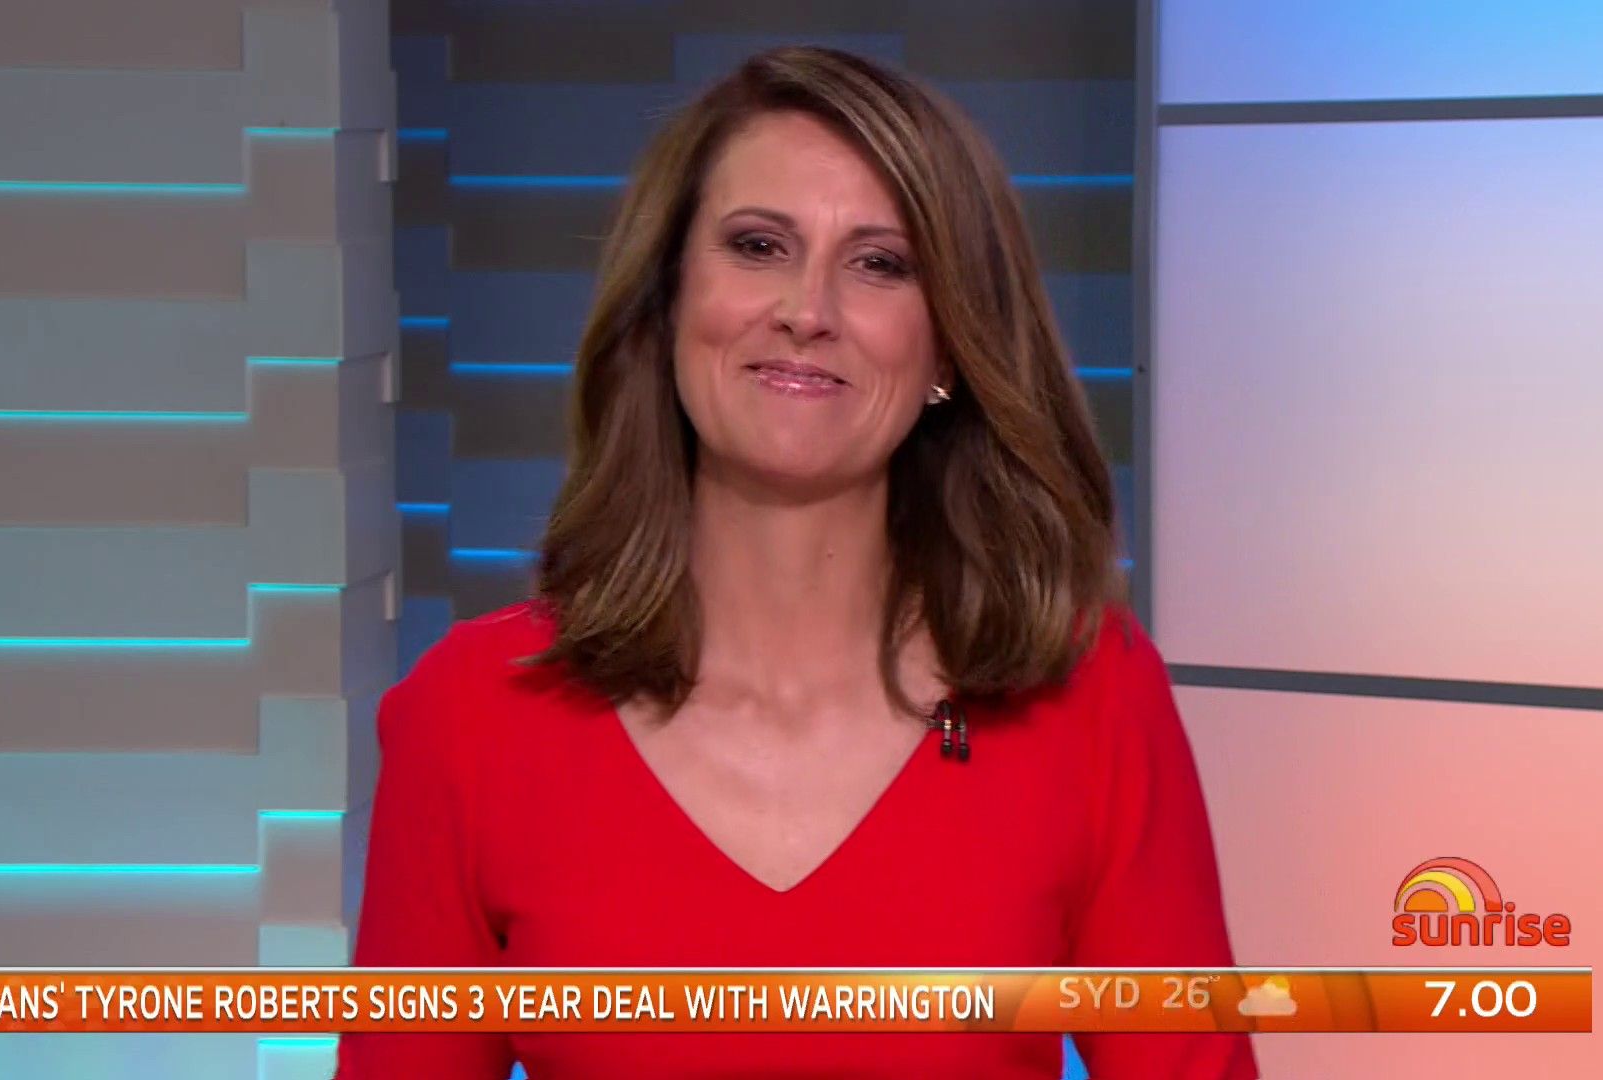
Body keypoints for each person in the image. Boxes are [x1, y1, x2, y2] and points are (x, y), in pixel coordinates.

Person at [338, 46, 1255, 1079]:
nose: (806, 310)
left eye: (880, 264)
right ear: (667, 303)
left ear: (949, 349)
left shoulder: (1091, 699)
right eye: (758, 246)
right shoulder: (470, 717)